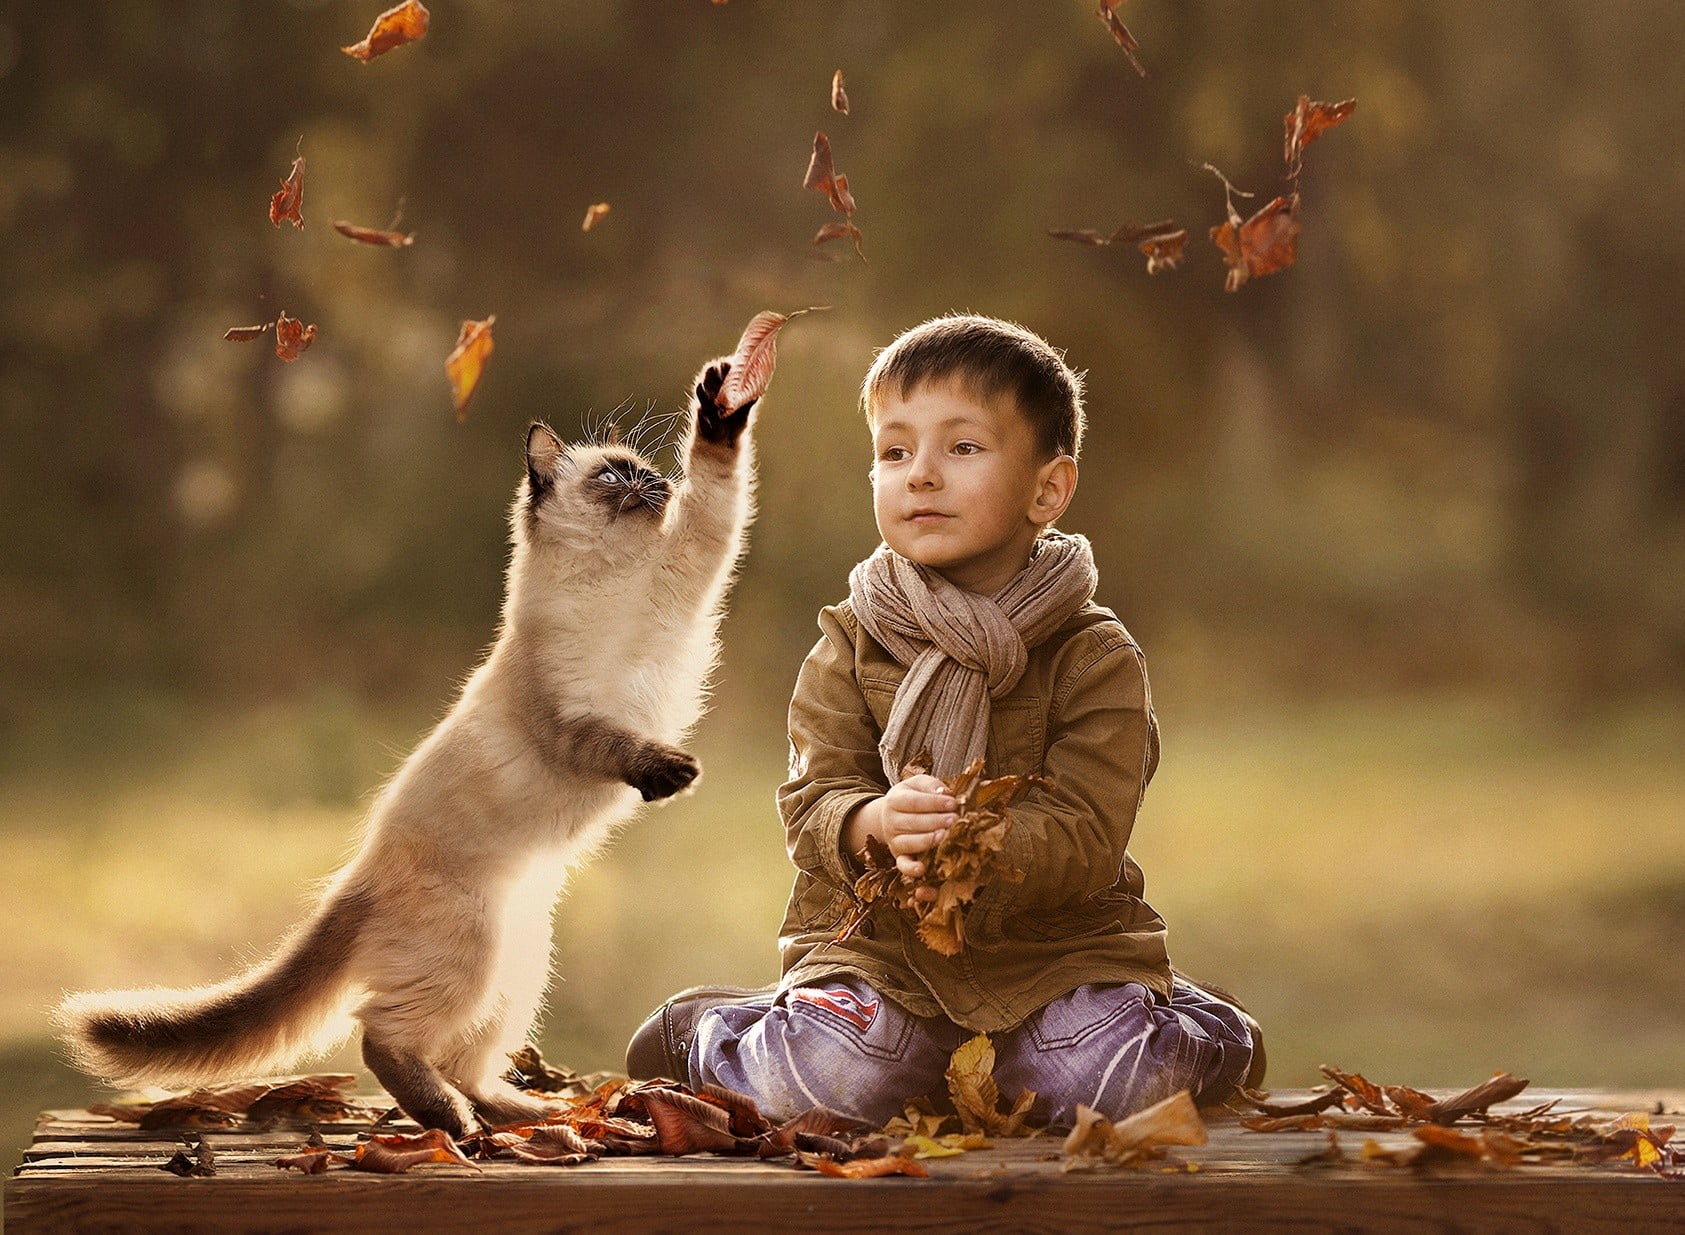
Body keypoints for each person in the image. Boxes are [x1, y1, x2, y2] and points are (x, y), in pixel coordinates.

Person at [626, 314, 1261, 1127]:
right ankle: (716, 1034)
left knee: (1107, 1087)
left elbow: (1087, 831)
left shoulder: (1094, 656)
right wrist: (873, 820)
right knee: (822, 1084)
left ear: (1047, 488)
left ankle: (1208, 1031)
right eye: (894, 451)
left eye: (961, 448)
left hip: (1052, 958)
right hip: (882, 958)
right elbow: (812, 797)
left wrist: (975, 839)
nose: (919, 475)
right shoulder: (850, 640)